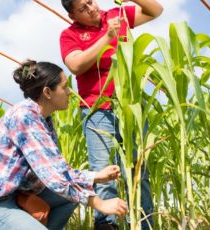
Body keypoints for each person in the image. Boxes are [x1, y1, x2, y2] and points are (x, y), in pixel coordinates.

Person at [0, 60, 128, 230]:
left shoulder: (44, 119)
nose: (69, 92)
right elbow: (55, 179)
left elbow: (59, 170)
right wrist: (100, 204)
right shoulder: (25, 117)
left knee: (71, 197)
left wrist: (96, 176)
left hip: (15, 195)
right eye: (65, 86)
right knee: (71, 192)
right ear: (47, 92)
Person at [59, 0, 163, 229]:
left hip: (132, 106)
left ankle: (144, 224)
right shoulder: (69, 34)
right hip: (97, 110)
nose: (92, 8)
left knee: (139, 172)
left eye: (90, 1)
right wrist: (108, 37)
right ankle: (107, 225)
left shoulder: (118, 14)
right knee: (105, 173)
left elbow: (155, 10)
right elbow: (75, 64)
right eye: (83, 9)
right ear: (72, 15)